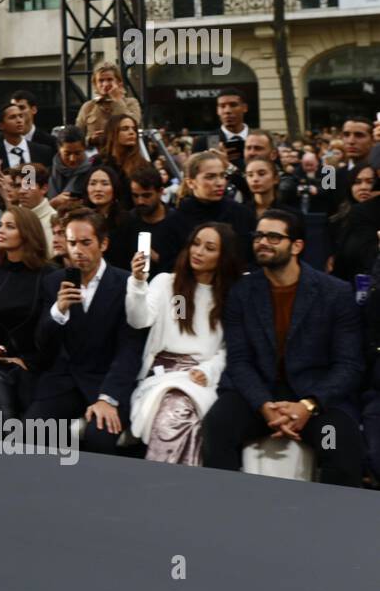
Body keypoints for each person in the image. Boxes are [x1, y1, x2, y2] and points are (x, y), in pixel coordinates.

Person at [203, 210, 366, 486]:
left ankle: (335, 523)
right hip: (257, 397)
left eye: (274, 237)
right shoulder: (242, 291)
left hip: (317, 400)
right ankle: (223, 512)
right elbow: (240, 361)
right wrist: (264, 405)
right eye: (259, 236)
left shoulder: (335, 293)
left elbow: (349, 365)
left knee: (337, 442)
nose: (262, 242)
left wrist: (308, 405)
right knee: (217, 428)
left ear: (297, 246)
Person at [28, 208, 146, 455]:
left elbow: (130, 350)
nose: (77, 250)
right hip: (63, 381)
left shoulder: (127, 284)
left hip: (105, 382)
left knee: (100, 440)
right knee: (31, 432)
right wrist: (58, 311)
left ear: (103, 244)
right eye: (72, 243)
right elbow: (42, 344)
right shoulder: (54, 282)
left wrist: (109, 398)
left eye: (85, 243)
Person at [125, 223, 241, 464]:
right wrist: (137, 282)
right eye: (195, 244)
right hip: (162, 374)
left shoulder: (232, 295)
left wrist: (209, 370)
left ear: (223, 256)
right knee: (175, 414)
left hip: (202, 378)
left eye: (209, 248)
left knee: (197, 421)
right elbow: (138, 320)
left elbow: (230, 348)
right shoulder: (167, 283)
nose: (198, 252)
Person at [0, 206, 56, 420]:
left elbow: (52, 328)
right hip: (0, 363)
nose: (1, 231)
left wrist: (28, 361)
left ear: (27, 233)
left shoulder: (49, 274)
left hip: (36, 364)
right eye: (0, 225)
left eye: (10, 226)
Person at [156, 150, 256, 268]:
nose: (220, 183)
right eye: (210, 177)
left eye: (222, 175)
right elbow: (169, 265)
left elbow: (250, 260)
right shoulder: (174, 221)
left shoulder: (242, 214)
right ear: (191, 183)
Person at [106, 166, 173, 272]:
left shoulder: (176, 221)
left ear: (160, 192)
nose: (140, 201)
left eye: (146, 196)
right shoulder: (126, 221)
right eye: (135, 196)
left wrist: (157, 258)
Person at [75, 62, 142, 152]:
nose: (105, 84)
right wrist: (90, 139)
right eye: (101, 81)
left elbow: (133, 125)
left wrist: (117, 100)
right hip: (97, 158)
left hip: (125, 156)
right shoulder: (88, 107)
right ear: (95, 84)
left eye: (110, 79)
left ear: (118, 82)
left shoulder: (131, 103)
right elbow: (76, 136)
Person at [0, 103, 55, 171]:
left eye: (21, 116)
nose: (19, 120)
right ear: (1, 125)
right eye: (12, 117)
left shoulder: (44, 152)